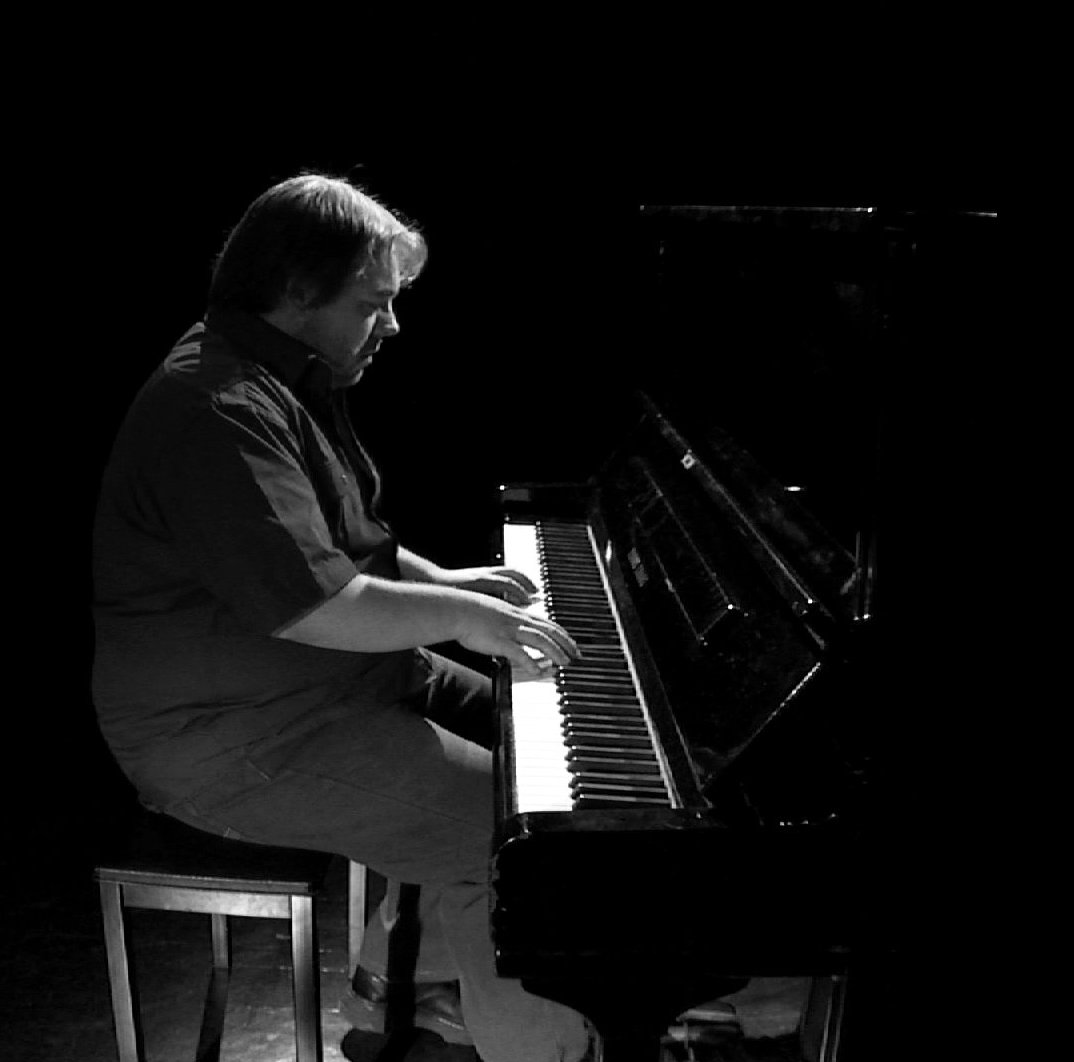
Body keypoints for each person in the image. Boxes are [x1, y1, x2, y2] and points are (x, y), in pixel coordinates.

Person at [92, 172, 593, 1062]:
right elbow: (319, 604)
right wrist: (461, 617)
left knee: (551, 750)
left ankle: (411, 995)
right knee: (519, 847)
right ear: (296, 291)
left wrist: (453, 585)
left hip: (327, 689)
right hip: (231, 741)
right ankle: (544, 1045)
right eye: (372, 304)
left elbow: (343, 547)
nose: (391, 325)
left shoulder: (281, 375)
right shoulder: (216, 409)